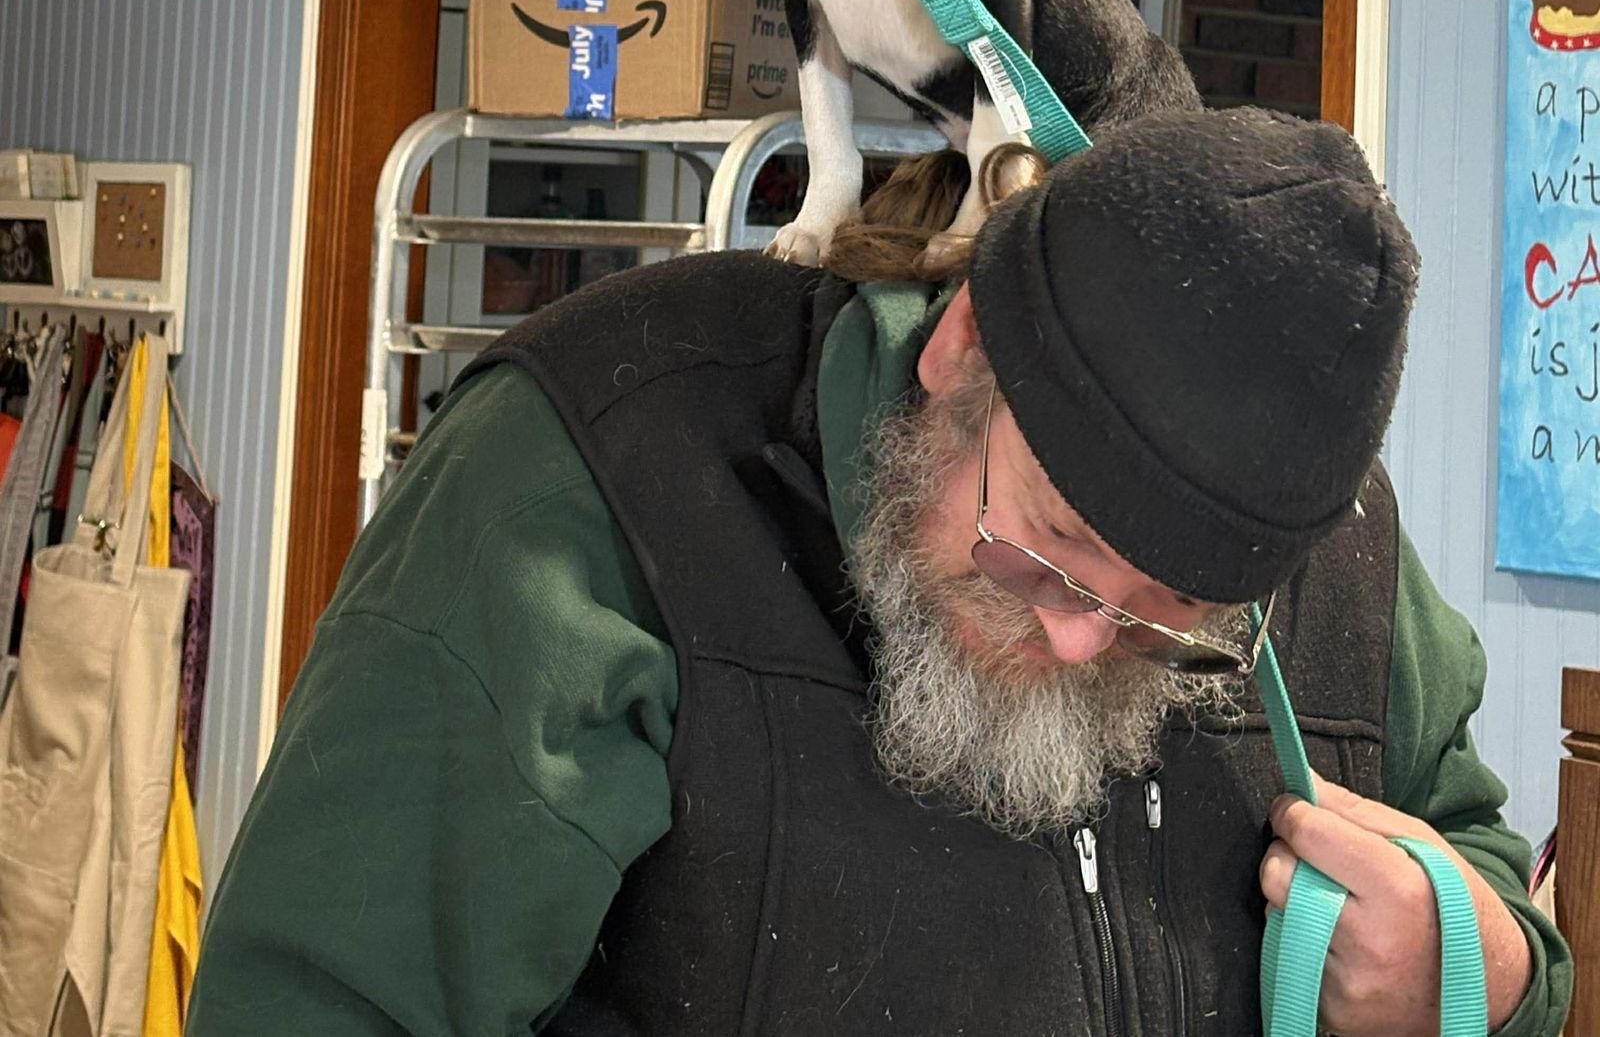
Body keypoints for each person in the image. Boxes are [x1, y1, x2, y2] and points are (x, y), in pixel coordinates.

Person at [189, 109, 1571, 1035]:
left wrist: (1484, 962)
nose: (1088, 641)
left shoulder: (1334, 553)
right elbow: (321, 1000)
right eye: (1053, 547)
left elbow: (1480, 861)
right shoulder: (599, 478)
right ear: (963, 345)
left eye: (1173, 625)